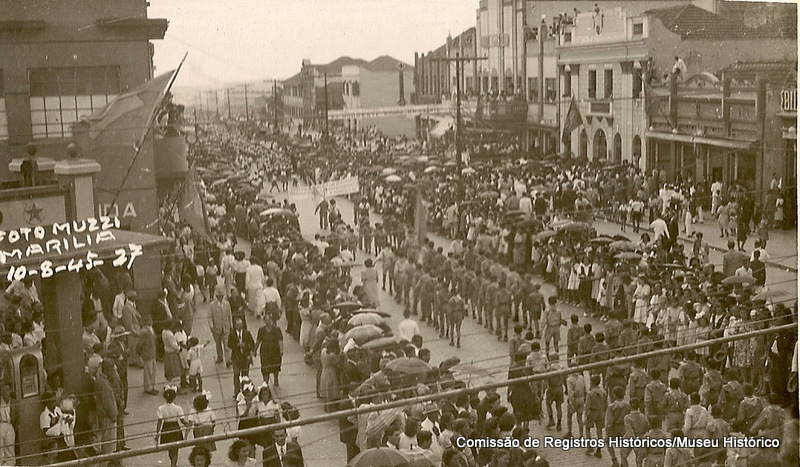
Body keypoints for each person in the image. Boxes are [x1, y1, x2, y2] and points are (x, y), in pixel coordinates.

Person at [155, 385, 189, 467]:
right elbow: (182, 420)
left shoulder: (161, 408)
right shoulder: (178, 408)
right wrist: (187, 424)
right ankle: (173, 464)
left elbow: (159, 422)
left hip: (166, 427)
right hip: (175, 427)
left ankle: (173, 464)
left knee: (170, 447)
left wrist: (157, 433)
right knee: (175, 448)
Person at [229, 317, 255, 395]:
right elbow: (229, 344)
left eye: (241, 325)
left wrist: (251, 352)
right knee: (236, 374)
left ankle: (245, 391)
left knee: (245, 375)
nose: (240, 327)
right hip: (236, 357)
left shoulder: (247, 333)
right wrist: (237, 345)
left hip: (245, 357)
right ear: (235, 326)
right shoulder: (232, 334)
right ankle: (236, 392)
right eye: (238, 325)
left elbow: (252, 343)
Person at [255, 317, 284, 387]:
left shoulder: (277, 329)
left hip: (275, 351)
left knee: (275, 366)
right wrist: (255, 350)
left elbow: (280, 340)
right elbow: (258, 340)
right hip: (265, 352)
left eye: (269, 320)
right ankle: (266, 381)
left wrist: (281, 349)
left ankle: (276, 379)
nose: (268, 321)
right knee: (265, 367)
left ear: (271, 320)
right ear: (264, 321)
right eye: (266, 320)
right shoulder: (261, 330)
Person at [209, 285, 232, 366]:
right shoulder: (212, 305)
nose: (220, 298)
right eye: (219, 296)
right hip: (217, 328)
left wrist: (231, 325)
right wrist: (212, 327)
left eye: (221, 296)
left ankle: (228, 360)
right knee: (218, 343)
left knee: (227, 344)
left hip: (226, 327)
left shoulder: (227, 304)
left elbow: (230, 315)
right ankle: (220, 357)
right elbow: (210, 317)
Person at [137, 315, 158, 395]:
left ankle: (151, 386)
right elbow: (140, 344)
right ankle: (148, 388)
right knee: (148, 371)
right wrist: (139, 353)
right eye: (149, 320)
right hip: (147, 353)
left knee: (153, 370)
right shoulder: (144, 331)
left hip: (152, 353)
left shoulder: (150, 329)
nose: (151, 321)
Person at [0, 383, 16, 466]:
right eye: (3, 390)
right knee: (1, 449)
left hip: (10, 426)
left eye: (7, 390)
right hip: (1, 425)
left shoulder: (13, 402)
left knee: (10, 449)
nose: (6, 392)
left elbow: (16, 416)